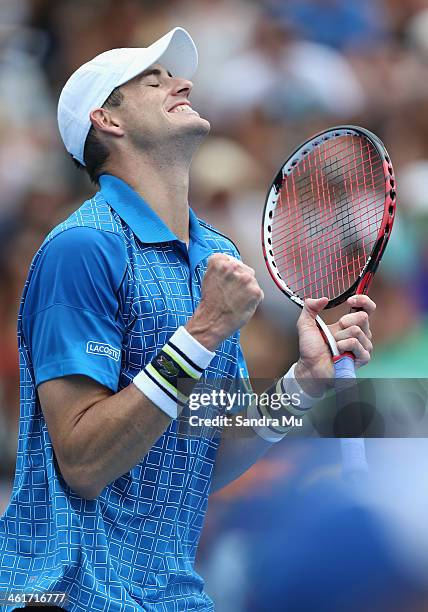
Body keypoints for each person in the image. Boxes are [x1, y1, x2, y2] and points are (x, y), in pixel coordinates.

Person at [0, 27, 375, 611]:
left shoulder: (215, 255)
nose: (183, 82)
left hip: (174, 596)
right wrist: (200, 335)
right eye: (154, 80)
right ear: (109, 121)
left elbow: (204, 456)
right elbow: (83, 461)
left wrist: (298, 388)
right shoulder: (82, 247)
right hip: (68, 592)